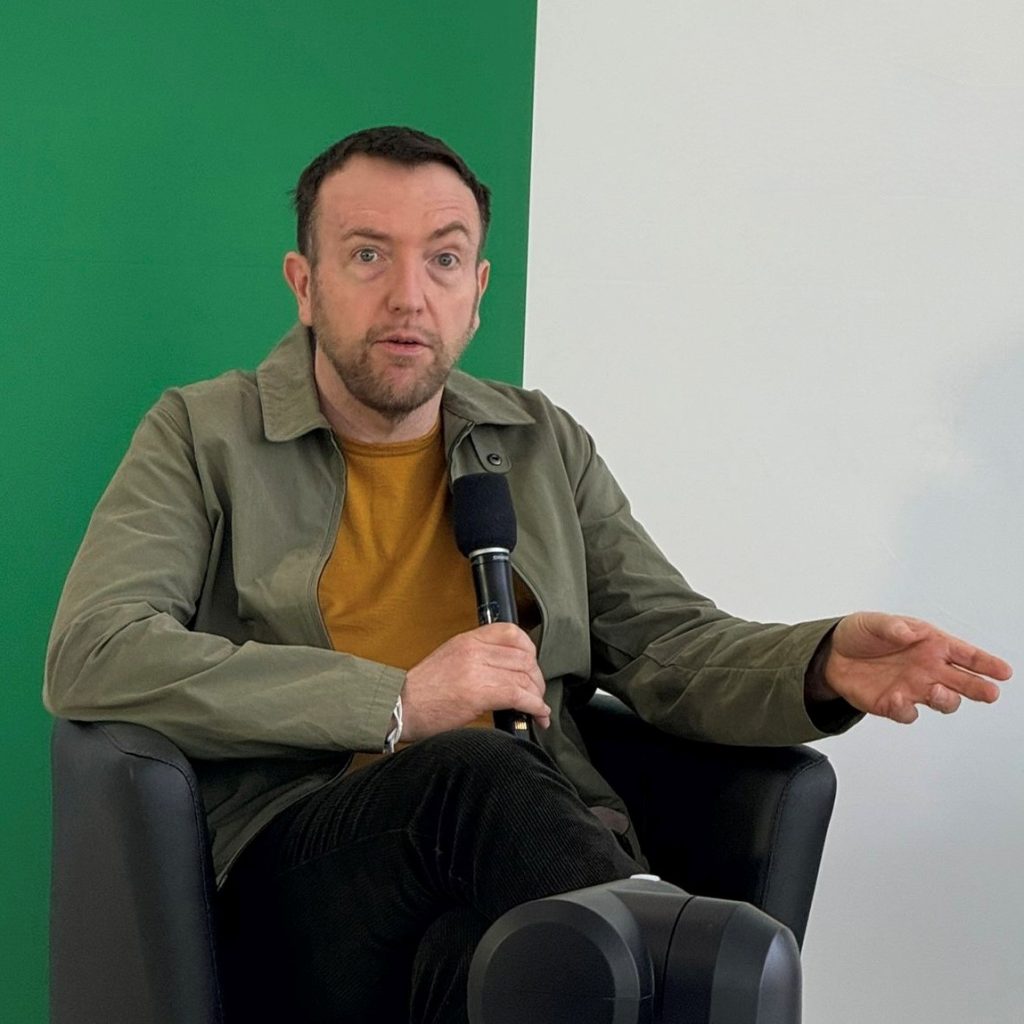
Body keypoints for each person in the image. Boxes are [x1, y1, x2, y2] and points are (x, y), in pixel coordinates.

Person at [44, 126, 1012, 1023]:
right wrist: (397, 702)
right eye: (368, 255)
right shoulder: (202, 435)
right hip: (305, 875)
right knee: (471, 773)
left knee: (513, 971)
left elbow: (671, 645)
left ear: (478, 288)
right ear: (305, 282)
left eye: (444, 257)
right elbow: (94, 650)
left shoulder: (540, 442)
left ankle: (645, 948)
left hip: (518, 877)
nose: (408, 295)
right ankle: (685, 953)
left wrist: (819, 661)